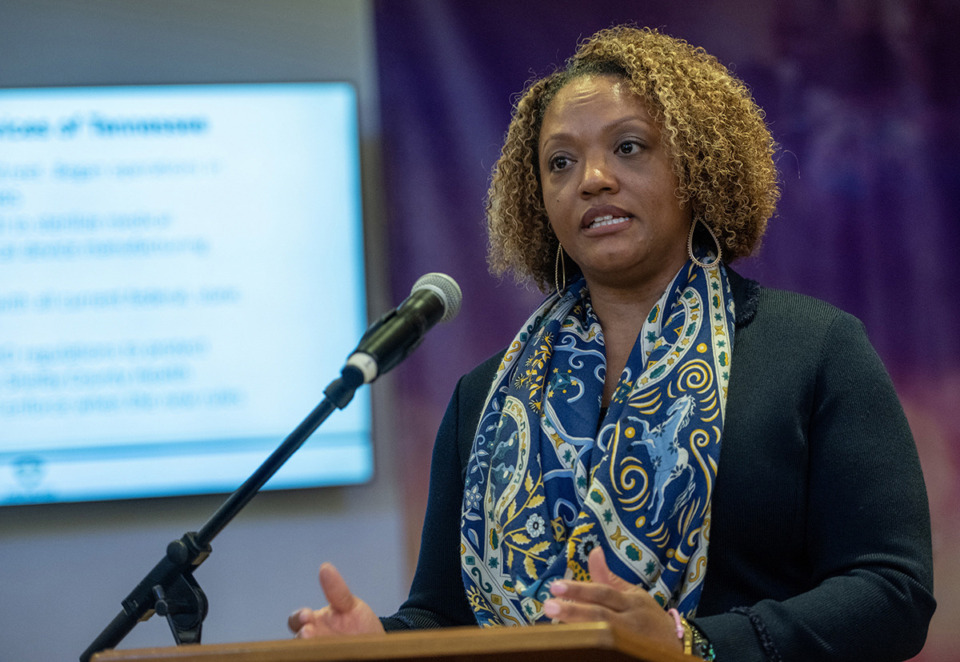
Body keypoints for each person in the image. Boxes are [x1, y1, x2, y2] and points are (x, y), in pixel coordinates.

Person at [289, 25, 935, 661]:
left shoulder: (815, 355)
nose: (592, 179)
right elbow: (444, 614)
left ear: (697, 162)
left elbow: (891, 592)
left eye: (629, 147)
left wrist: (694, 644)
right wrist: (382, 645)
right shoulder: (481, 401)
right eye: (561, 162)